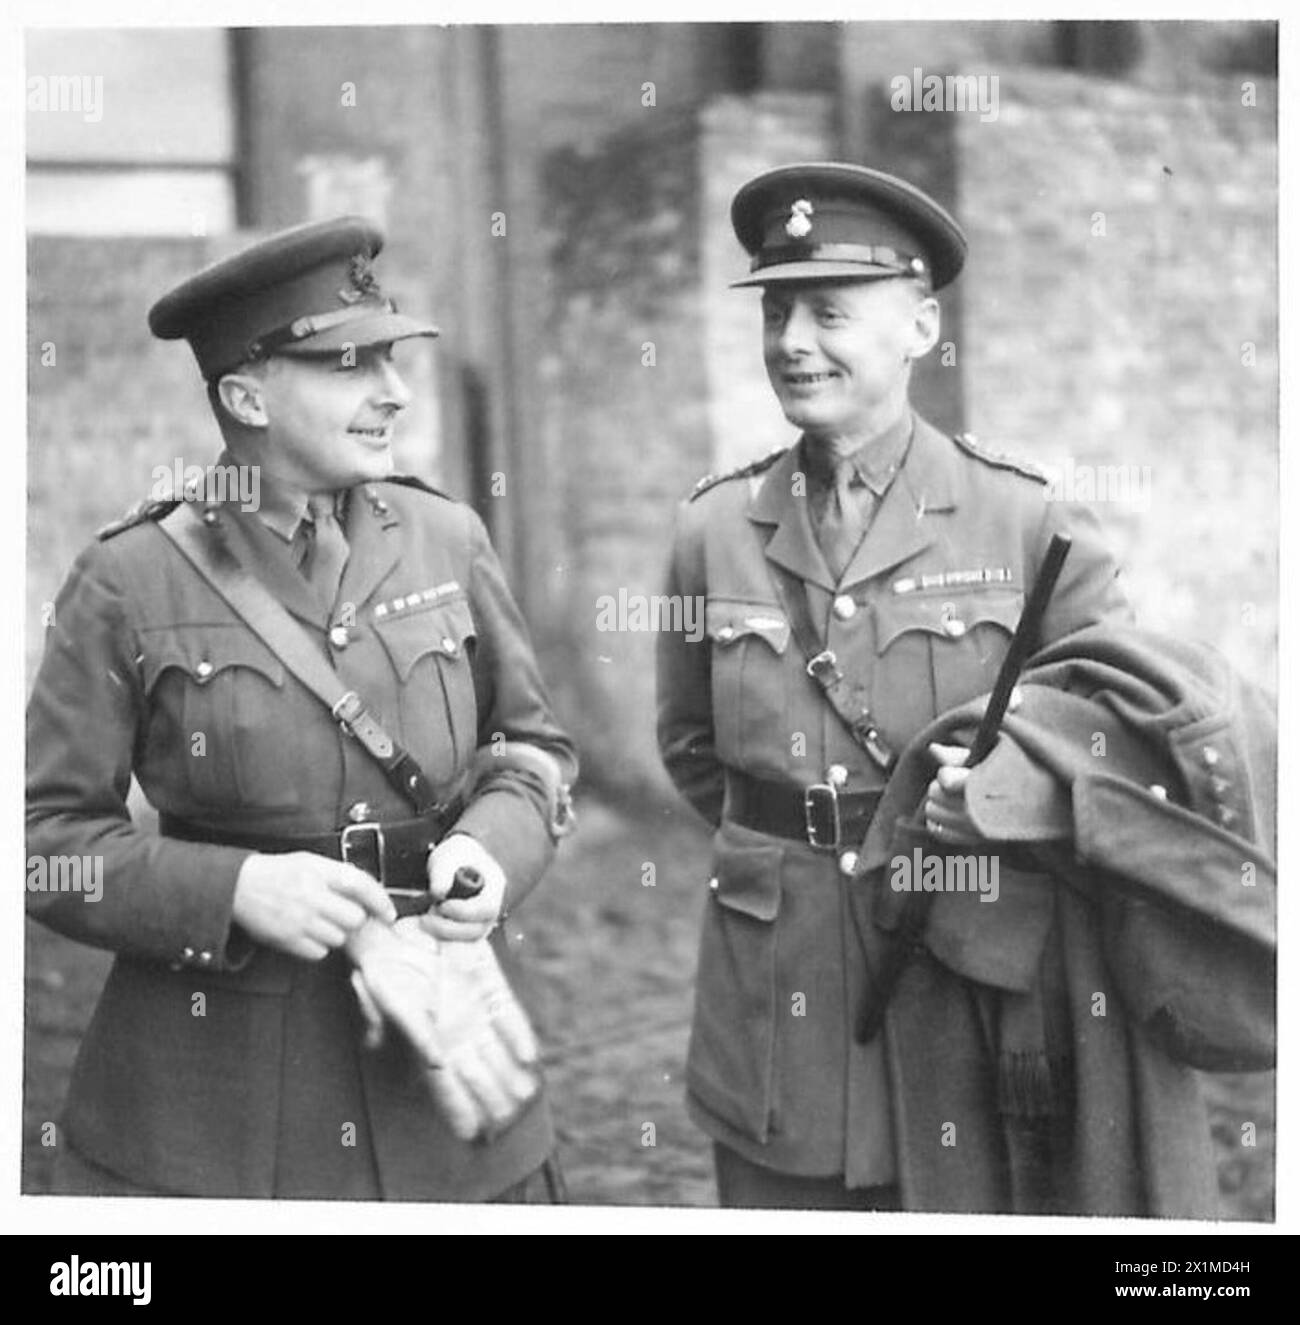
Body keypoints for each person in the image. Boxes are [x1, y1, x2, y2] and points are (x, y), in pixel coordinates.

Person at [27, 216, 577, 1201]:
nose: (393, 391)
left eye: (391, 357)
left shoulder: (446, 536)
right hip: (218, 1102)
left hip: (446, 1052)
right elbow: (45, 839)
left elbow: (529, 747)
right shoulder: (129, 579)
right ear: (245, 395)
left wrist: (491, 850)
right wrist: (231, 888)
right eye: (347, 363)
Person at [655, 163, 1139, 1210]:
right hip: (775, 992)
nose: (791, 341)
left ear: (920, 327)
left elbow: (1117, 745)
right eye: (777, 311)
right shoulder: (710, 528)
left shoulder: (1025, 521)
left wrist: (1006, 801)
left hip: (963, 969)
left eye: (828, 312)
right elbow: (693, 745)